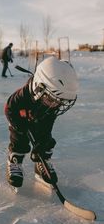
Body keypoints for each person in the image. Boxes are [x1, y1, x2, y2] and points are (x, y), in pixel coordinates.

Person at [4, 56, 78, 188]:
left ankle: (41, 162)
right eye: (52, 99)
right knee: (19, 142)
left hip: (42, 120)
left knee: (45, 140)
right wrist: (20, 126)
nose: (55, 105)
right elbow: (9, 109)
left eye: (59, 102)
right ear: (39, 87)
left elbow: (48, 125)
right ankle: (15, 161)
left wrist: (41, 147)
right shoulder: (21, 97)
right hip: (20, 122)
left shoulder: (51, 106)